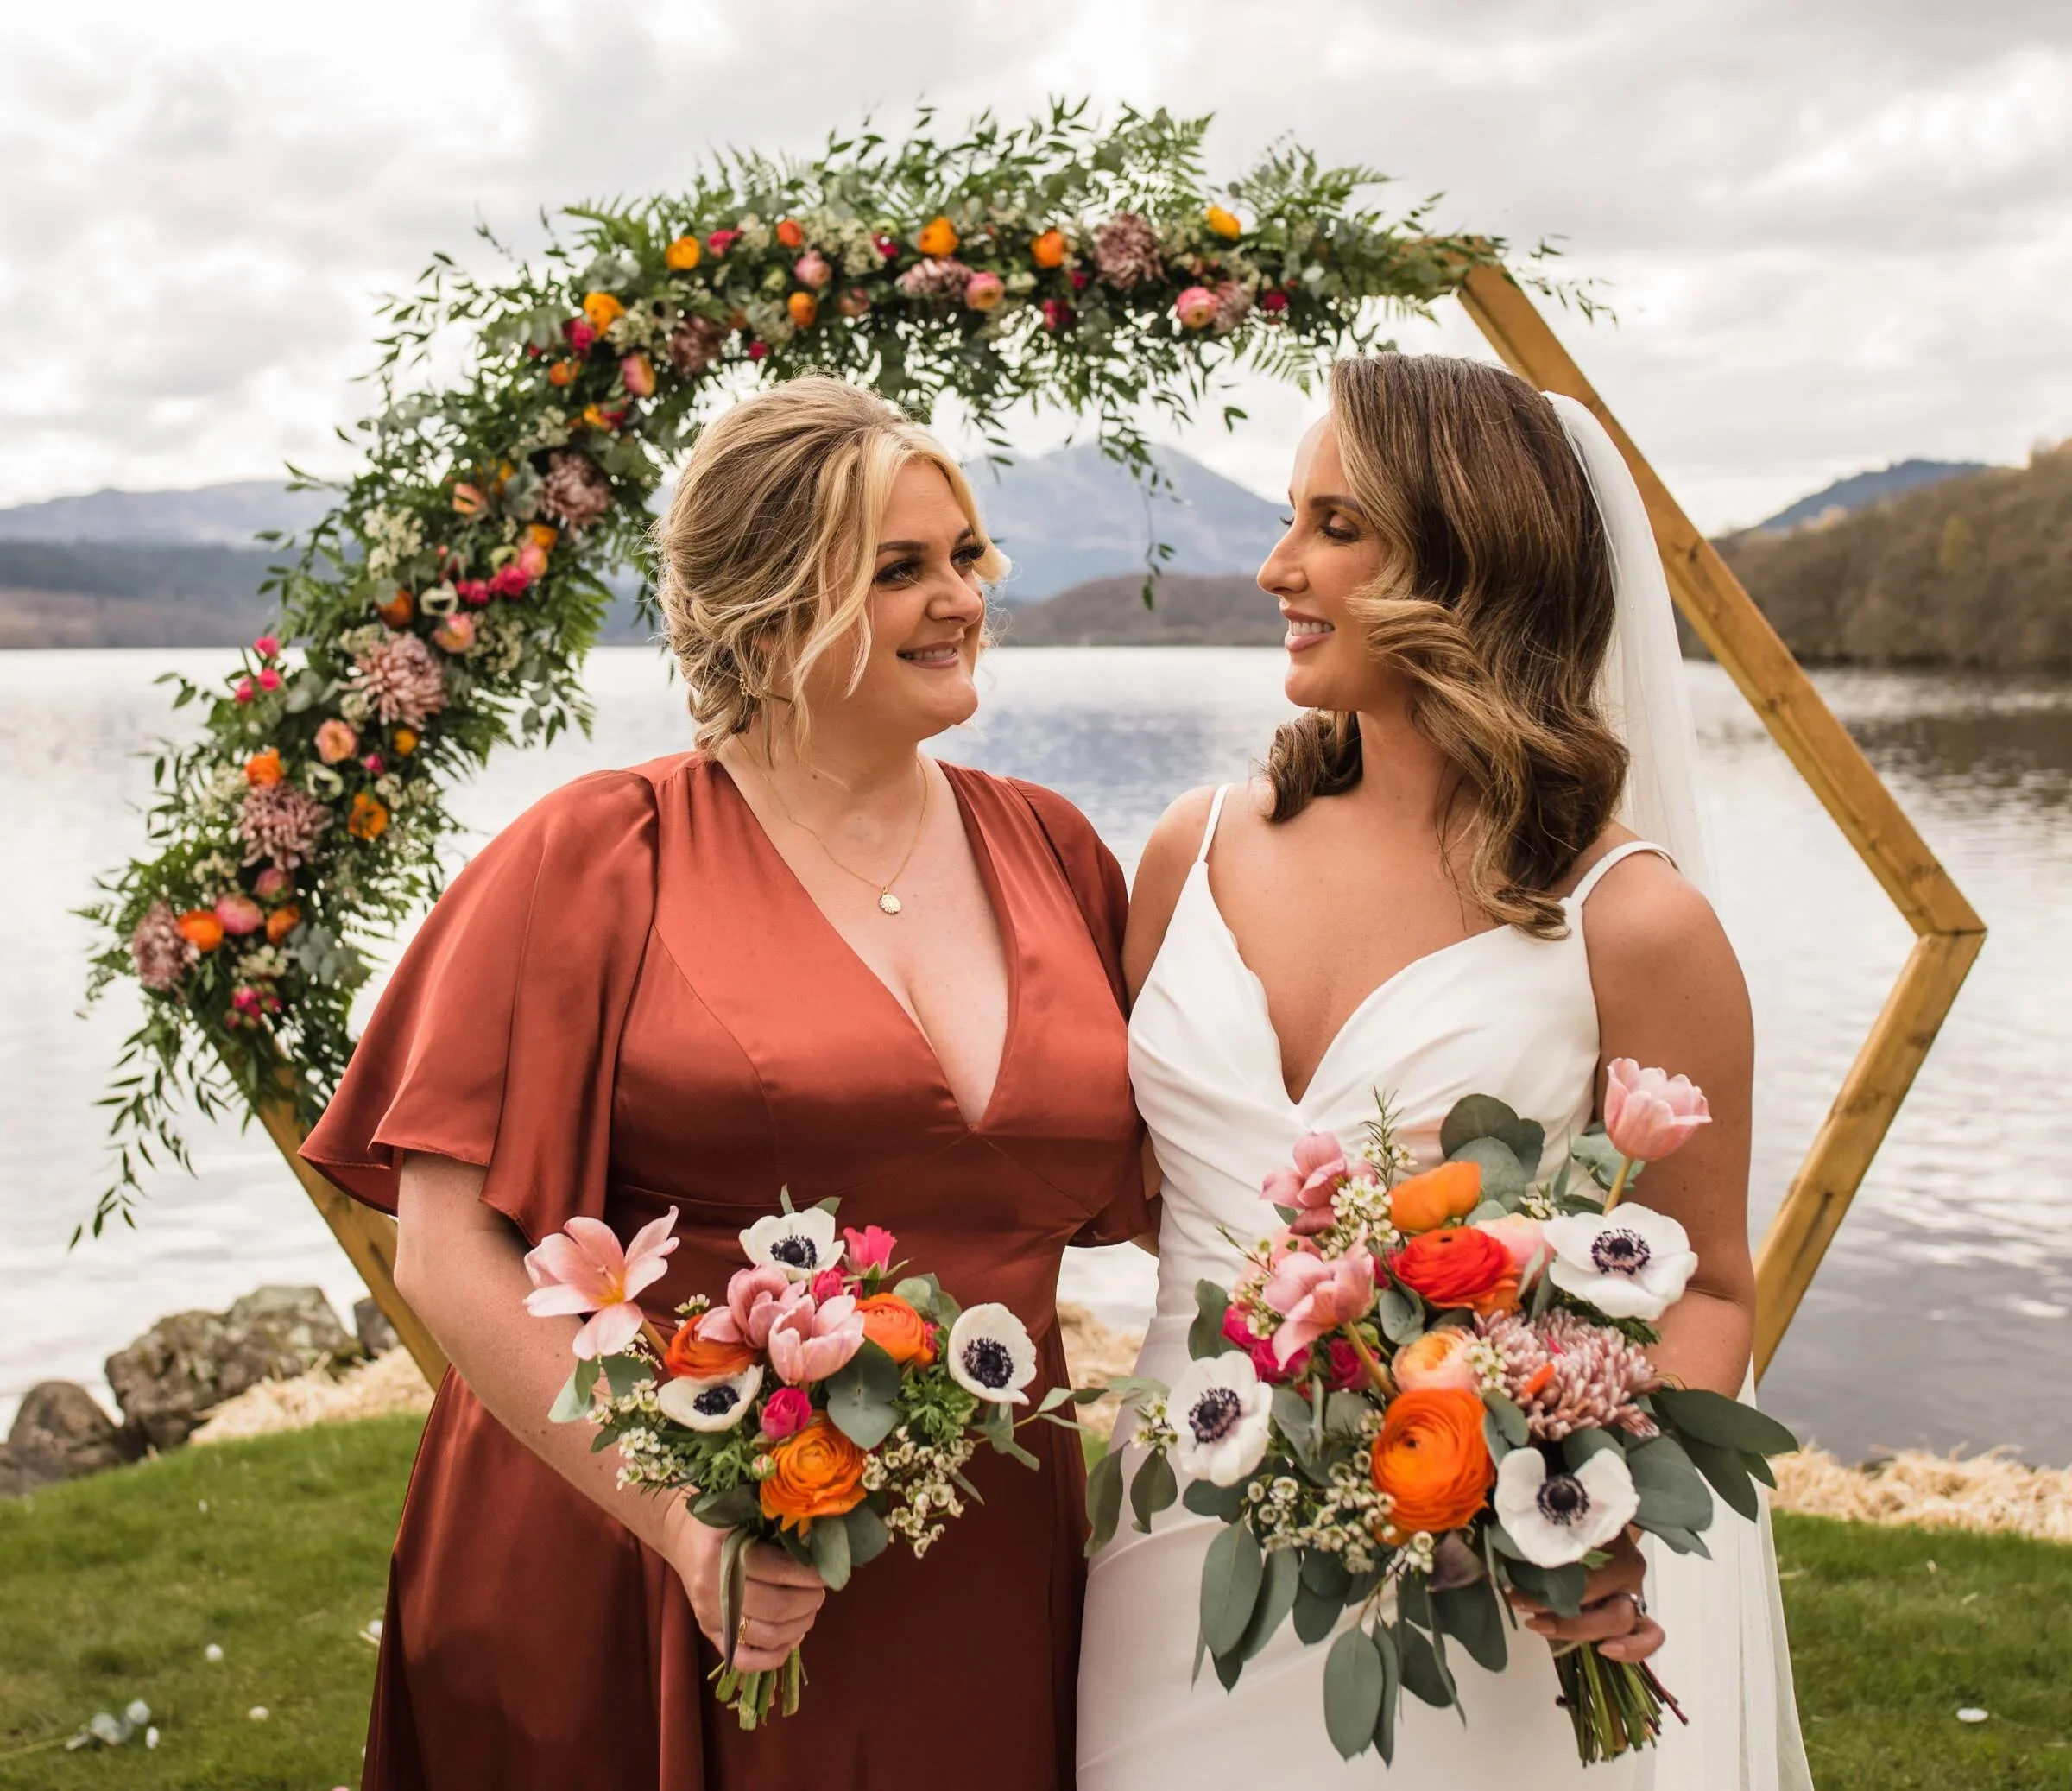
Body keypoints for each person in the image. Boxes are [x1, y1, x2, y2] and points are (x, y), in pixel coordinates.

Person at [302, 375, 1147, 1790]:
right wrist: (687, 1520)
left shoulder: (1055, 851)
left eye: (965, 557)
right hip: (638, 1543)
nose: (962, 598)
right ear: (769, 609)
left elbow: (1189, 1168)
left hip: (980, 1546)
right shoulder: (596, 854)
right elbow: (450, 1249)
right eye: (899, 570)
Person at [1077, 353, 1810, 1789]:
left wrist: (1588, 1508)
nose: (1279, 565)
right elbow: (1113, 1183)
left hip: (1466, 1596)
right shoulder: (1193, 846)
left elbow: (1712, 1280)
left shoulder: (1634, 924)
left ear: (1472, 560)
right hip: (1165, 1553)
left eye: (1337, 526)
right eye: (1294, 517)